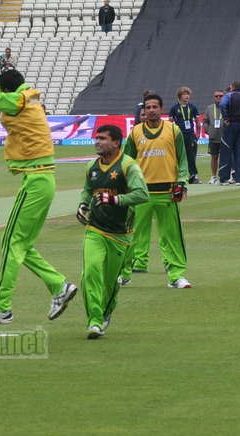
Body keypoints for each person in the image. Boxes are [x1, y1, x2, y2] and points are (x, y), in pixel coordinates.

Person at [0, 53, 78, 323]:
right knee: (20, 245)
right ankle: (59, 286)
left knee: (11, 243)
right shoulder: (24, 97)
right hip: (40, 179)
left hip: (36, 179)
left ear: (8, 90)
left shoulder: (16, 102)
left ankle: (2, 307)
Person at [78, 125, 148, 339]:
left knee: (109, 283)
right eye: (96, 138)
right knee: (90, 272)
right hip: (95, 229)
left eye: (102, 138)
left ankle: (106, 312)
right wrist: (83, 204)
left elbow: (142, 194)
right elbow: (88, 189)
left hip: (120, 234)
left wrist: (116, 199)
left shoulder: (129, 166)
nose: (97, 141)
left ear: (116, 142)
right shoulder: (92, 166)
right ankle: (95, 321)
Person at [120, 93, 192, 289]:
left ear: (161, 109)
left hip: (168, 192)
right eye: (148, 107)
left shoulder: (173, 130)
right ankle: (124, 273)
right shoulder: (135, 132)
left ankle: (176, 276)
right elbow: (126, 162)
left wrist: (181, 182)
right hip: (141, 193)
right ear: (144, 110)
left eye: (155, 107)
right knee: (131, 236)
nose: (151, 110)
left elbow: (183, 160)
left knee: (172, 237)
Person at [168, 86, 201, 184]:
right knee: (178, 156)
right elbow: (170, 123)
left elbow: (198, 122)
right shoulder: (174, 108)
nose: (187, 96)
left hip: (190, 134)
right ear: (180, 96)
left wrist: (198, 134)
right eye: (184, 94)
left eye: (188, 94)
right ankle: (178, 176)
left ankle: (193, 176)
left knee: (191, 156)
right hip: (179, 134)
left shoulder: (193, 107)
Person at [202, 89, 225, 184]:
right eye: (216, 96)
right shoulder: (209, 108)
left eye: (220, 96)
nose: (218, 97)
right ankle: (214, 177)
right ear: (214, 97)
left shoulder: (227, 107)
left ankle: (225, 176)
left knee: (225, 158)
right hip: (213, 137)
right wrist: (208, 131)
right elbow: (205, 121)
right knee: (214, 157)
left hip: (225, 138)